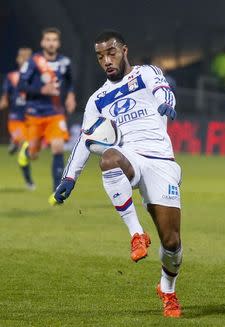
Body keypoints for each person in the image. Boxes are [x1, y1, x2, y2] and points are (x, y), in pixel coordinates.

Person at [53, 30, 182, 318]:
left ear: (124, 50)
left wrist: (167, 104)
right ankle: (137, 234)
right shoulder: (97, 99)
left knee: (172, 243)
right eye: (100, 56)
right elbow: (86, 140)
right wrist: (69, 177)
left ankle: (168, 289)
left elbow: (163, 90)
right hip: (129, 156)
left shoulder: (145, 74)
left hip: (161, 160)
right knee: (109, 158)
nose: (106, 60)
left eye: (111, 53)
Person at [17, 27, 76, 198]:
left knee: (58, 148)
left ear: (58, 43)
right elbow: (21, 85)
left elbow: (70, 82)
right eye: (48, 39)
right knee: (34, 153)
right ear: (43, 42)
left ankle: (56, 193)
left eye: (54, 40)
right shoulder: (33, 62)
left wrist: (71, 96)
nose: (51, 43)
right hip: (35, 113)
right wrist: (42, 89)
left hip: (55, 113)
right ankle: (27, 152)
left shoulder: (65, 62)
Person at [0, 47, 35, 189]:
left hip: (31, 120)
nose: (25, 60)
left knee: (27, 150)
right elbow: (5, 98)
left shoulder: (35, 78)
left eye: (28, 58)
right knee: (25, 146)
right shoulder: (11, 77)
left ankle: (14, 142)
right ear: (18, 60)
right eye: (23, 57)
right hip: (16, 120)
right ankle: (29, 181)